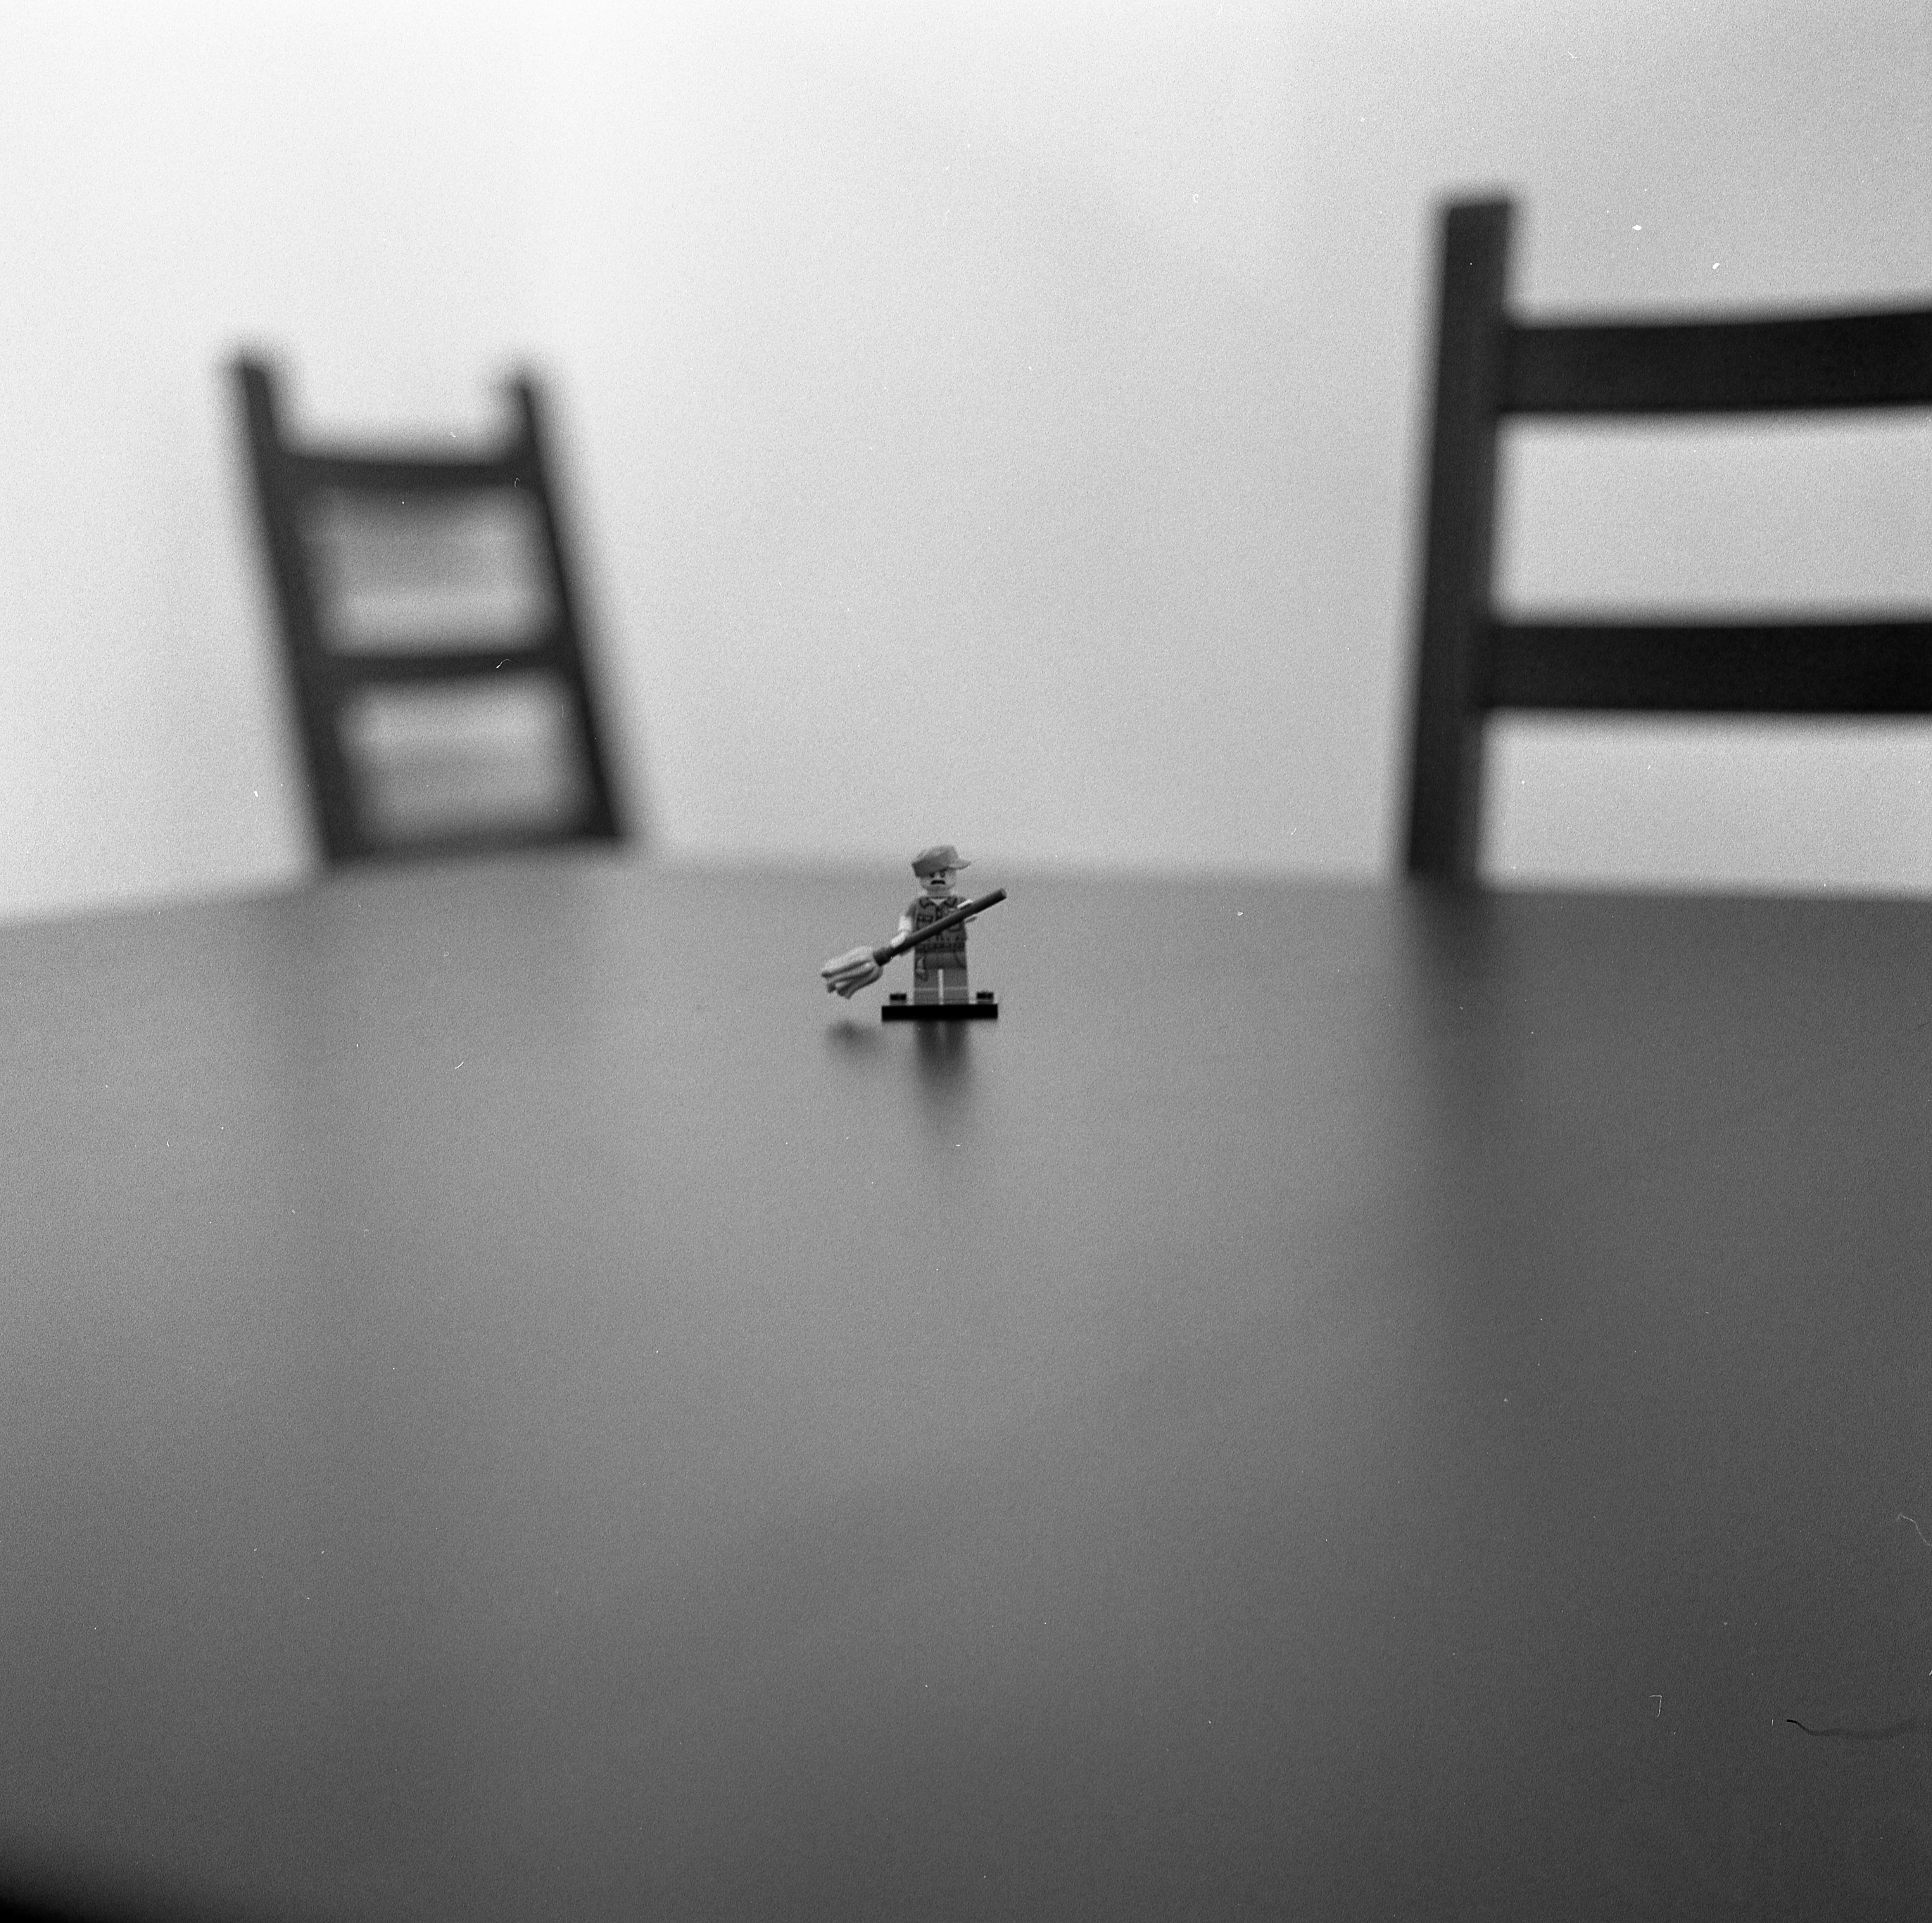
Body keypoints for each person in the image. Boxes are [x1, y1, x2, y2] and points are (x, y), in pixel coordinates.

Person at [901, 845, 972, 1005]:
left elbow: (970, 914)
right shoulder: (918, 903)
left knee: (956, 984)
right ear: (923, 878)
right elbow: (906, 918)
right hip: (925, 951)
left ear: (953, 875)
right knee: (925, 985)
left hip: (954, 949)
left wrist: (967, 914)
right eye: (933, 875)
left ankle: (957, 1001)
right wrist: (904, 933)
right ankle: (926, 1000)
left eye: (943, 874)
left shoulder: (958, 902)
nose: (939, 879)